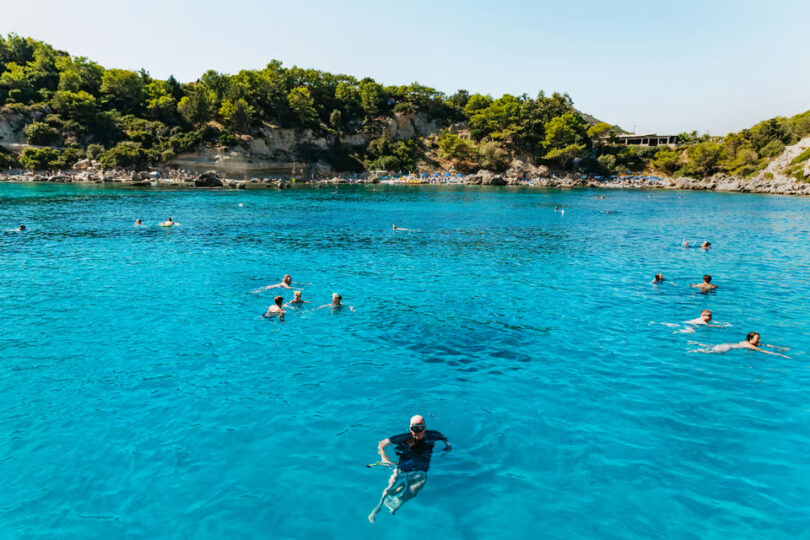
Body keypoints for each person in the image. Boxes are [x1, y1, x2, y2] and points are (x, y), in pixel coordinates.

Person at [368, 415, 451, 523]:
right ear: (410, 428)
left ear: (425, 427)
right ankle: (378, 506)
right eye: (414, 428)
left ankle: (400, 499)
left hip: (420, 467)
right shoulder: (404, 437)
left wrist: (447, 445)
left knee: (414, 489)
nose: (417, 433)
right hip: (403, 466)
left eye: (420, 428)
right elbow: (381, 443)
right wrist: (384, 458)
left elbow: (444, 437)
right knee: (391, 485)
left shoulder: (433, 435)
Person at [692, 332, 790, 358]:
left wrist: (779, 348)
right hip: (726, 348)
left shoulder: (745, 342)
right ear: (750, 339)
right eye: (757, 339)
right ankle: (697, 350)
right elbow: (764, 351)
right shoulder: (750, 346)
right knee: (709, 352)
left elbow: (764, 345)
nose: (759, 341)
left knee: (710, 347)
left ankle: (697, 345)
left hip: (727, 345)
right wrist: (780, 355)